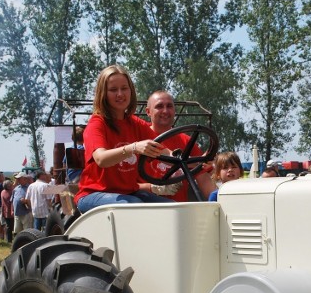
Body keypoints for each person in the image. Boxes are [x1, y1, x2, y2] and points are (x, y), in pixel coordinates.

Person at [75, 65, 178, 213]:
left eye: (124, 88)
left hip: (128, 193)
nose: (120, 94)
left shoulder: (134, 123)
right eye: (113, 90)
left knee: (172, 208)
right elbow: (101, 159)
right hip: (92, 195)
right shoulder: (97, 123)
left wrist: (185, 160)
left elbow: (163, 150)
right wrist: (133, 148)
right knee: (133, 206)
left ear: (131, 91)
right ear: (103, 93)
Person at [145, 90, 216, 201]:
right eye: (159, 106)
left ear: (174, 110)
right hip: (141, 208)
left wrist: (219, 202)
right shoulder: (138, 138)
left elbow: (203, 178)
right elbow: (124, 187)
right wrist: (153, 188)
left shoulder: (187, 142)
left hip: (178, 210)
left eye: (169, 106)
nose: (165, 111)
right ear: (148, 112)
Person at [1, 179, 15, 243]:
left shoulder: (3, 191)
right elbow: (11, 201)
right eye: (10, 184)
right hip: (9, 211)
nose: (12, 185)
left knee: (9, 226)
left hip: (6, 211)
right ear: (8, 186)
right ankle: (9, 239)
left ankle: (9, 239)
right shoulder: (9, 192)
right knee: (10, 226)